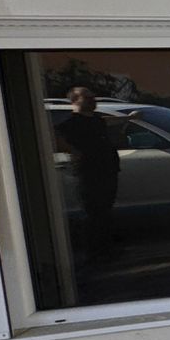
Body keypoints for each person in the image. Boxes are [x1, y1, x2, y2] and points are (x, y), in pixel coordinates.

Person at [56, 86, 121, 258]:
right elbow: (54, 137)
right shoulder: (70, 123)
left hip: (108, 171)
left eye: (93, 97)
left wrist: (129, 117)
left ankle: (107, 249)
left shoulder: (96, 120)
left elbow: (107, 121)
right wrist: (74, 152)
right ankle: (94, 252)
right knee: (94, 212)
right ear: (75, 101)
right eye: (87, 97)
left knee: (106, 211)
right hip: (89, 173)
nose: (93, 100)